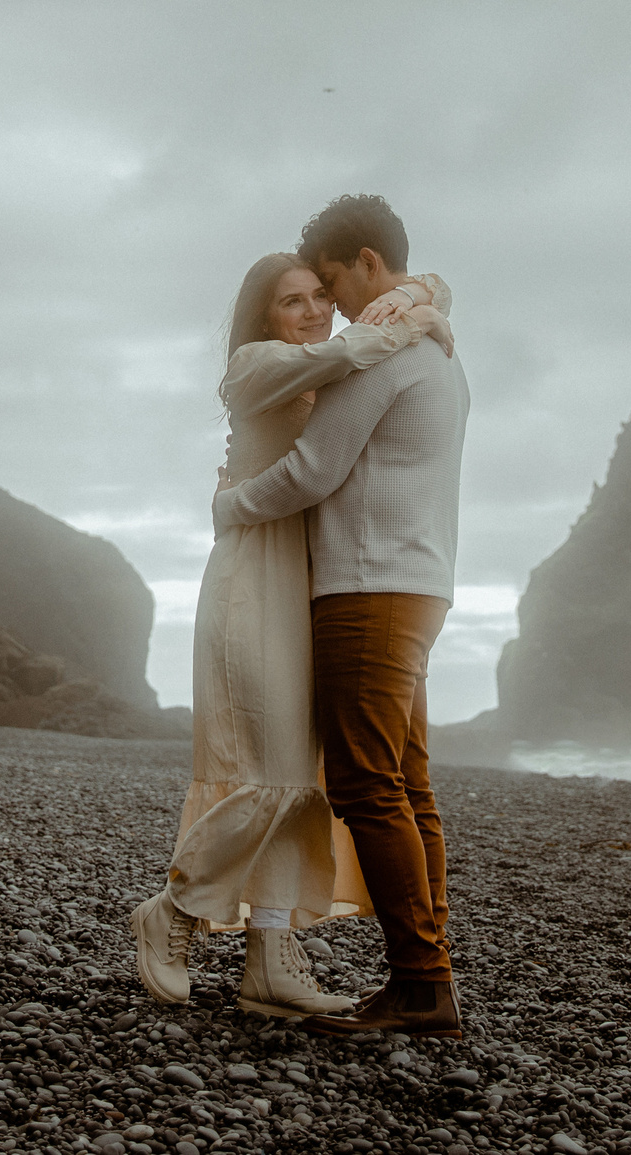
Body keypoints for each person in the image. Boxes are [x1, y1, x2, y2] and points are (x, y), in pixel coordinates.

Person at [129, 243, 455, 1019]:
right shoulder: (253, 366)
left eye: (320, 294)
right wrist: (417, 316)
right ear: (263, 316)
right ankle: (173, 910)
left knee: (298, 776)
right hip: (251, 582)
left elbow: (403, 305)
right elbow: (357, 344)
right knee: (264, 770)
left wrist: (424, 296)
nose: (314, 310)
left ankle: (269, 956)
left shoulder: (327, 369)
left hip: (307, 582)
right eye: (293, 300)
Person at [213, 194, 472, 1038]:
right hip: (419, 585)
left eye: (331, 283)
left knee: (366, 782)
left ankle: (422, 984)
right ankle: (426, 975)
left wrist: (231, 505)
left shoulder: (386, 355)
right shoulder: (436, 347)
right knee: (409, 783)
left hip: (367, 591)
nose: (332, 308)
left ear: (366, 262)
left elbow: (314, 469)